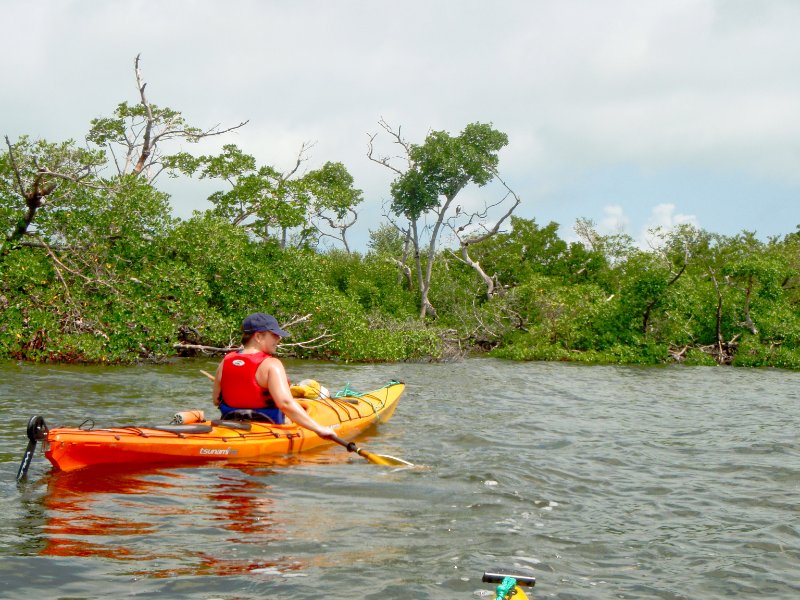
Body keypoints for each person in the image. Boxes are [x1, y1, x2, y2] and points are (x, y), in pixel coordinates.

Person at [212, 312, 335, 439]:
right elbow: (285, 404)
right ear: (259, 336)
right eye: (274, 335)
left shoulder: (225, 361)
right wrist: (319, 429)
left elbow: (216, 400)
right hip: (269, 426)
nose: (279, 339)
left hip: (230, 424)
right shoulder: (272, 364)